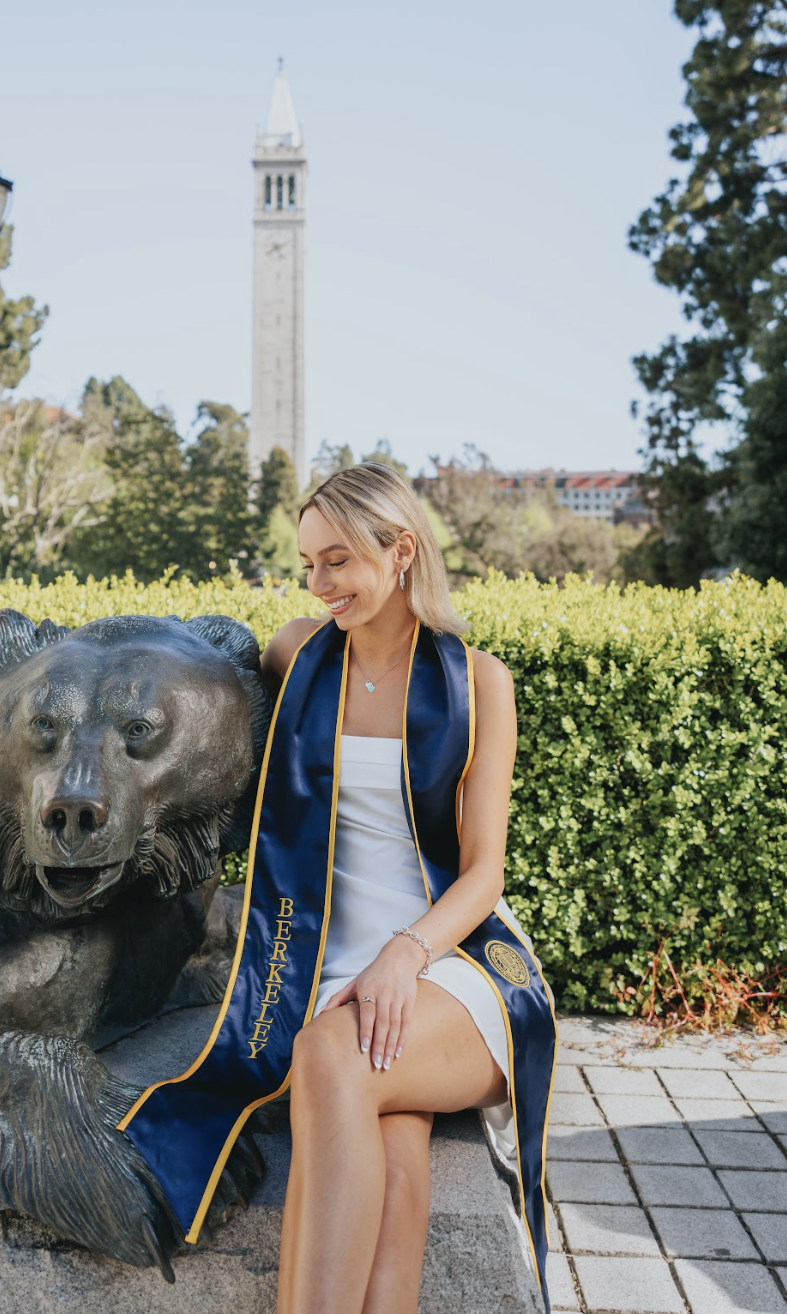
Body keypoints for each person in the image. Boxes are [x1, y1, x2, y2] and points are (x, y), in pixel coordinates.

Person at [121, 463, 555, 1314]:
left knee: (330, 1055)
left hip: (458, 959)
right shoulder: (296, 657)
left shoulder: (478, 684)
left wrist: (406, 953)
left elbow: (484, 874)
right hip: (320, 955)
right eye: (307, 565)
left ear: (401, 552)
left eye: (337, 562)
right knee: (394, 1146)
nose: (318, 585)